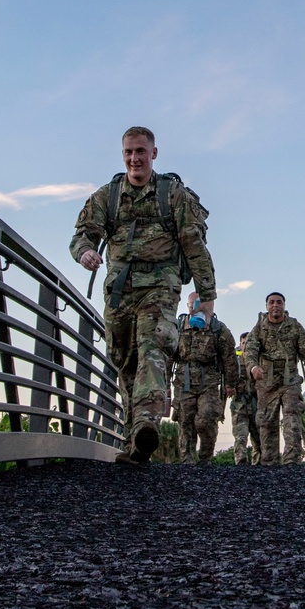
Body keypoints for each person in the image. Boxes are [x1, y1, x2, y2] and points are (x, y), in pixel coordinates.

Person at [70, 126, 217, 464]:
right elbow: (83, 234)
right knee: (125, 360)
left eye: (140, 151)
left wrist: (206, 295)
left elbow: (194, 245)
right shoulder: (107, 196)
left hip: (160, 287)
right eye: (128, 152)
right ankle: (134, 439)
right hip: (119, 290)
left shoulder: (173, 195)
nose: (134, 158)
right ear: (122, 155)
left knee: (153, 350)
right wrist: (85, 253)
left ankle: (146, 424)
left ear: (154, 153)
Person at [244, 291, 305, 465]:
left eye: (279, 302)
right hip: (267, 382)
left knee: (292, 416)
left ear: (284, 306)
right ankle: (269, 464)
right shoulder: (259, 328)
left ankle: (291, 462)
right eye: (271, 302)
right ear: (266, 306)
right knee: (266, 422)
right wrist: (253, 367)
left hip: (290, 380)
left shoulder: (295, 327)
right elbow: (250, 351)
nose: (275, 305)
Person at [169, 292, 237, 464]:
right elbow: (168, 354)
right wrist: (163, 381)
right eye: (192, 305)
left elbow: (230, 358)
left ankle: (206, 458)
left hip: (210, 380)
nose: (194, 308)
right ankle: (187, 461)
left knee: (205, 419)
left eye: (198, 304)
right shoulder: (178, 326)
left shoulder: (218, 328)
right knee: (185, 421)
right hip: (183, 379)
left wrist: (231, 384)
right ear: (187, 306)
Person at [230, 332, 262, 465]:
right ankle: (241, 463)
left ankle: (259, 465)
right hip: (239, 405)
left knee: (259, 438)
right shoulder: (234, 362)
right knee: (240, 436)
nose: (245, 346)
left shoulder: (259, 362)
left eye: (248, 343)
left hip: (257, 405)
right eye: (243, 343)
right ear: (240, 345)